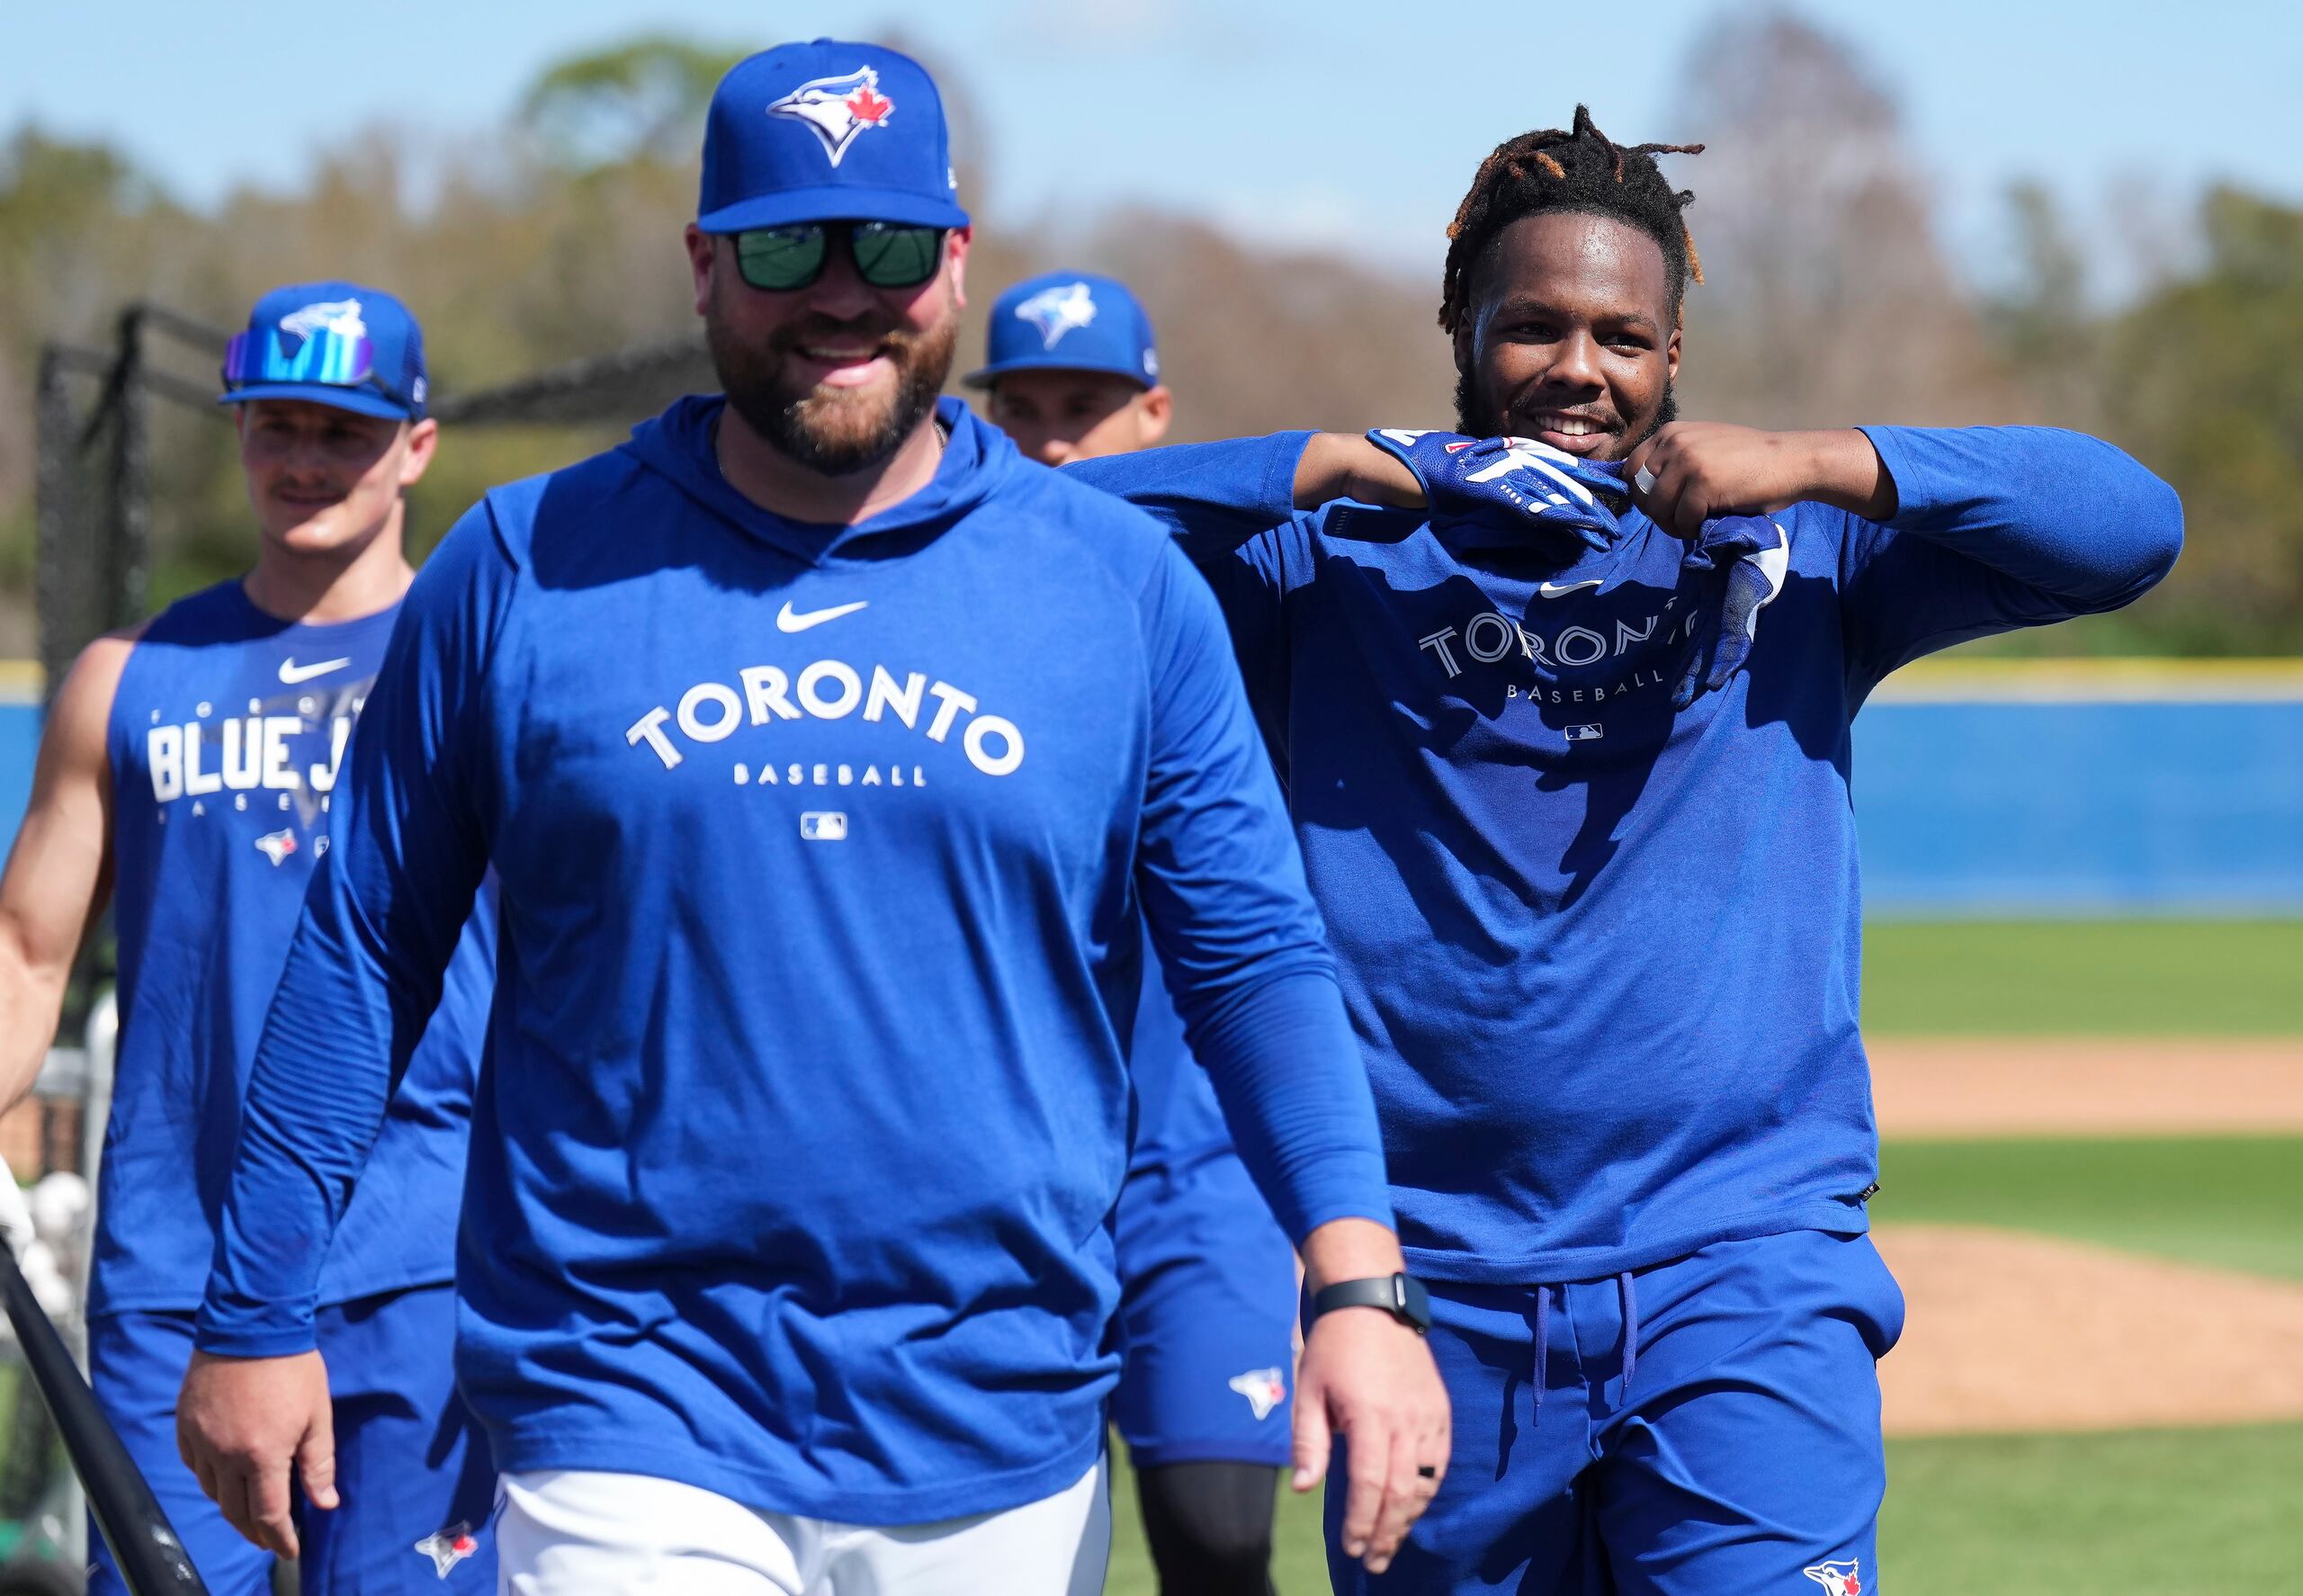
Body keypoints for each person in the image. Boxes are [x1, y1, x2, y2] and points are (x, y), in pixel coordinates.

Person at [174, 41, 1448, 1596]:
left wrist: (1358, 1283)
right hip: (627, 1398)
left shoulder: (1118, 592)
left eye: (891, 246)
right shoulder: (524, 566)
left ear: (958, 261)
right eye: (787, 246)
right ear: (706, 266)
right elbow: (365, 947)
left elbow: (1253, 961)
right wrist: (254, 1308)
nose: (844, 291)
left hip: (995, 1415)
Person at [1069, 106, 2184, 1595]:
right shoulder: (1324, 566)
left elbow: (2133, 528)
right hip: (1436, 1298)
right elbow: (1024, 535)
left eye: (1624, 336)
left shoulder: (1795, 561)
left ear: (1675, 357)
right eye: (1531, 326)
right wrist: (1350, 463)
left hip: (1745, 1270)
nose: (1579, 369)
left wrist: (1820, 461)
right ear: (1460, 325)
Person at [0, 282, 498, 1593]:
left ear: (417, 445)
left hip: (423, 1262)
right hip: (180, 1266)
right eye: (276, 424)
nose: (303, 461)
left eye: (343, 430)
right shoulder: (128, 674)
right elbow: (27, 949)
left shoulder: (491, 656)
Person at [971, 272, 1294, 1595]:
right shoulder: (946, 602)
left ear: (1154, 412)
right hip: (1001, 1182)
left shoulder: (1217, 596)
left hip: (1195, 1175)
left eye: (1088, 409)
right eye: (1025, 410)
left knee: (1218, 1550)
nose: (1055, 441)